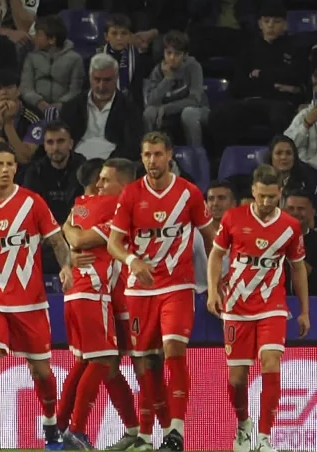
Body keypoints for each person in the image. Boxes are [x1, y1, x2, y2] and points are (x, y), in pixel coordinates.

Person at [0, 141, 72, 451]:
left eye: (10, 164)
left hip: (30, 301)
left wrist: (67, 269)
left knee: (42, 372)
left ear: (15, 168)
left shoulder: (32, 203)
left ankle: (50, 424)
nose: (5, 169)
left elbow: (58, 241)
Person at [106, 131, 217, 451]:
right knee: (147, 364)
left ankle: (177, 431)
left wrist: (216, 283)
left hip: (178, 287)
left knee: (174, 350)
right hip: (139, 291)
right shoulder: (130, 195)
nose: (152, 161)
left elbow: (213, 239)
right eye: (146, 155)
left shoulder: (189, 194)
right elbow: (114, 243)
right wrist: (131, 260)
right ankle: (163, 432)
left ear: (170, 155)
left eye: (157, 154)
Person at [206, 164, 310, 452]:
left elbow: (298, 269)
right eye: (261, 196)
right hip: (236, 305)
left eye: (272, 198)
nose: (266, 203)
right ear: (253, 191)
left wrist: (303, 311)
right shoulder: (232, 218)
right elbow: (216, 256)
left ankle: (263, 439)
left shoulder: (290, 226)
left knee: (271, 363)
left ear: (280, 194)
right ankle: (244, 426)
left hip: (272, 305)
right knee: (237, 379)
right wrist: (213, 291)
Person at [58, 158, 140, 450]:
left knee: (108, 365)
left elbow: (74, 232)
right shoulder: (111, 209)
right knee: (105, 362)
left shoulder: (109, 209)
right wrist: (71, 244)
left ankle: (134, 432)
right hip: (101, 294)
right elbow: (77, 235)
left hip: (118, 297)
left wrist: (70, 238)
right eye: (100, 179)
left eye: (106, 180)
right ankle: (73, 430)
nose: (100, 186)